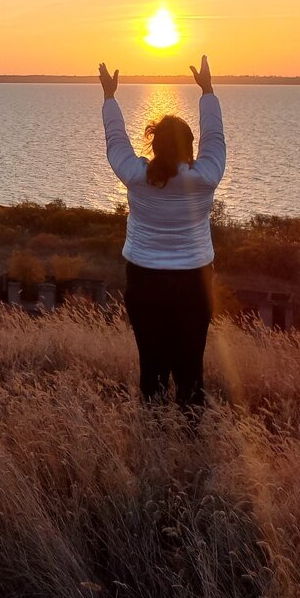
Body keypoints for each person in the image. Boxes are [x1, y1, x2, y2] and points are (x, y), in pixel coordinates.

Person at [99, 55, 226, 411]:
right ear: (189, 148)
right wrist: (208, 91)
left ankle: (153, 444)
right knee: (190, 372)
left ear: (154, 148)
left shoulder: (137, 177)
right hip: (195, 285)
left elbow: (116, 141)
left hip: (145, 282)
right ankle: (189, 444)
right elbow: (215, 136)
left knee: (151, 370)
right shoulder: (205, 178)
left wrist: (110, 97)